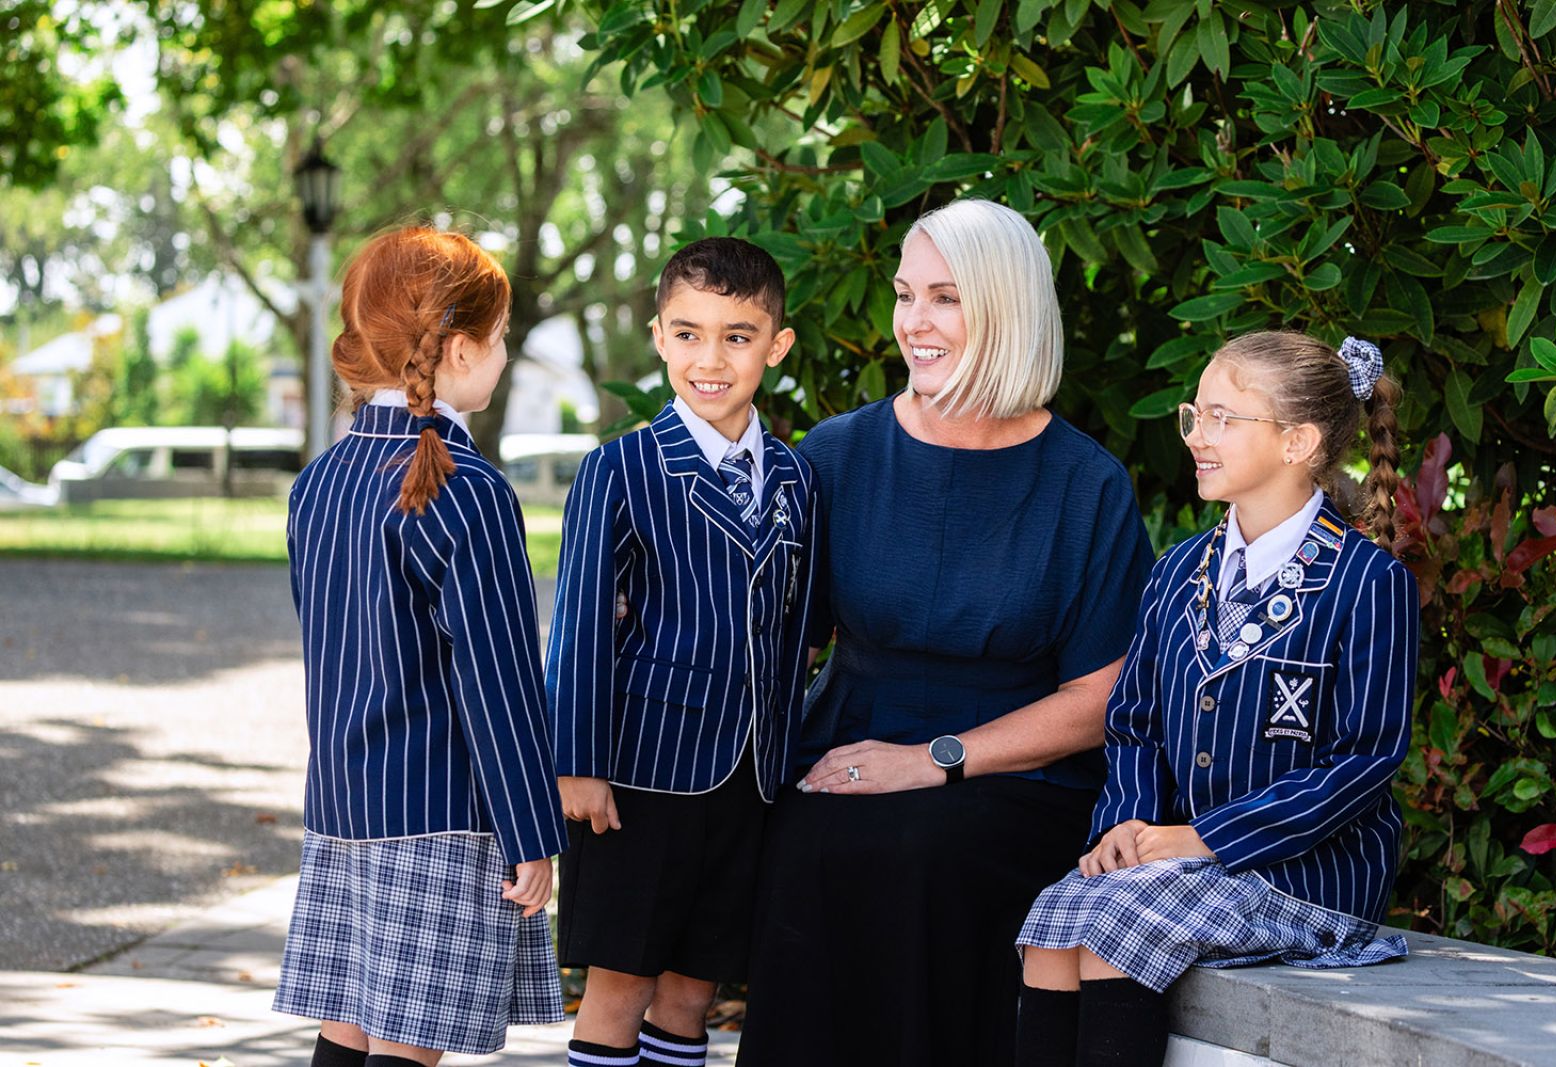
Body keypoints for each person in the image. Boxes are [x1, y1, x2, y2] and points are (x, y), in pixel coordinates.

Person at [737, 199, 1155, 1066]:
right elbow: (771, 630)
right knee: (809, 843)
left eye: (945, 298)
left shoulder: (1086, 483)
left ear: (1005, 310)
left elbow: (1102, 694)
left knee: (921, 848)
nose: (914, 323)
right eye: (904, 293)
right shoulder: (839, 454)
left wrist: (936, 757)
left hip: (1016, 773)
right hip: (849, 741)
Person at [1012, 331, 1418, 1067]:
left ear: (1298, 442)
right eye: (1194, 415)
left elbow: (1363, 760)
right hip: (1178, 860)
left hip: (1308, 872)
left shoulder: (1366, 582)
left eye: (1224, 418)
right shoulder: (1177, 571)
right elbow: (1134, 725)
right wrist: (1126, 829)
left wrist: (1200, 840)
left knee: (1115, 924)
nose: (1198, 436)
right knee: (1055, 916)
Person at [272, 226, 567, 1067]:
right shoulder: (465, 492)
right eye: (504, 337)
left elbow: (328, 646)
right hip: (442, 813)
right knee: (406, 1048)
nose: (506, 355)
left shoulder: (318, 482)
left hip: (343, 806)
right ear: (462, 348)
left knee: (348, 1027)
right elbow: (499, 682)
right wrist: (530, 830)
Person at [545, 237, 818, 1067]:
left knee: (695, 988)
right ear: (659, 336)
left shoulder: (797, 480)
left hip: (750, 776)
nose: (712, 357)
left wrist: (791, 753)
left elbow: (798, 628)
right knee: (620, 984)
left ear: (777, 345)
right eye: (690, 333)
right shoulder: (619, 469)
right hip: (637, 776)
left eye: (738, 335)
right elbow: (581, 623)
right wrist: (577, 761)